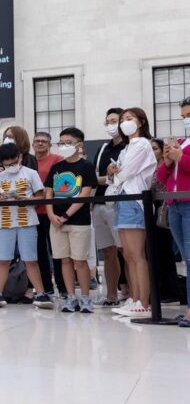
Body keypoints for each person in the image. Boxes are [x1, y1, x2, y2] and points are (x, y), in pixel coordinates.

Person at [0, 143, 53, 309]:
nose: (10, 166)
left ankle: (40, 294)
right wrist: (0, 199)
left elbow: (41, 196)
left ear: (20, 157)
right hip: (5, 221)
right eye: (6, 164)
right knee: (4, 258)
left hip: (27, 222)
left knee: (30, 259)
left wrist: (24, 199)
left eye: (13, 162)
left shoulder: (31, 173)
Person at [108, 108, 156, 318]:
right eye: (122, 120)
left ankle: (144, 302)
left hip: (135, 200)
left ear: (141, 122)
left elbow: (126, 172)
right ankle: (135, 298)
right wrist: (113, 173)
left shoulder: (143, 144)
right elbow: (115, 175)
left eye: (129, 119)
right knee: (127, 255)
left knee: (137, 255)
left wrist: (116, 174)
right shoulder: (125, 148)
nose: (124, 123)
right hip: (122, 198)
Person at [44, 127, 98, 313]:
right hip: (56, 222)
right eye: (61, 143)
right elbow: (49, 192)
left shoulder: (86, 167)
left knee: (80, 261)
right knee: (64, 260)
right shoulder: (56, 167)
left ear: (79, 145)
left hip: (78, 221)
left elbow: (84, 193)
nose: (64, 146)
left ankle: (85, 297)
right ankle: (70, 296)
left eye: (68, 142)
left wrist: (67, 215)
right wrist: (51, 215)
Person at [157, 96, 190, 327]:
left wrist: (182, 158)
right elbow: (161, 178)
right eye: (184, 117)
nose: (186, 120)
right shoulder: (181, 141)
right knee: (187, 259)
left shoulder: (184, 149)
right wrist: (168, 161)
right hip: (174, 204)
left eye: (189, 115)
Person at [90, 108, 128, 308]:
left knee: (126, 250)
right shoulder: (103, 148)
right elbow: (95, 176)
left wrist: (110, 177)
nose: (110, 125)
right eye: (107, 121)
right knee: (108, 251)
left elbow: (124, 175)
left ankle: (132, 294)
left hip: (120, 202)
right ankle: (111, 294)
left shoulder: (130, 146)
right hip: (99, 202)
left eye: (114, 120)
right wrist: (108, 177)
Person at [32, 131, 65, 296]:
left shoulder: (58, 160)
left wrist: (42, 192)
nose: (40, 143)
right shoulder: (28, 161)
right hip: (33, 212)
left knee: (57, 251)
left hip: (52, 212)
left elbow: (60, 185)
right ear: (32, 144)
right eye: (37, 141)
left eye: (43, 141)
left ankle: (63, 287)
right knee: (38, 253)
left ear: (49, 145)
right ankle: (45, 287)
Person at [150, 138, 181, 304]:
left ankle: (171, 290)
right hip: (152, 209)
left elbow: (157, 185)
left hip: (164, 208)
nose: (152, 151)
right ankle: (160, 289)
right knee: (155, 252)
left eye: (155, 148)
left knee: (165, 251)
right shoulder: (149, 166)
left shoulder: (166, 166)